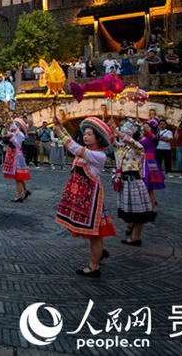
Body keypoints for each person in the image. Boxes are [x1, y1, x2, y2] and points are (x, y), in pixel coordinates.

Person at [52, 117, 115, 277]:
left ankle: (94, 266)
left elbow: (75, 148)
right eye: (85, 134)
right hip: (86, 197)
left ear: (98, 138)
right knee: (97, 233)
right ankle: (99, 255)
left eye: (90, 134)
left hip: (91, 199)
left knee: (95, 235)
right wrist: (61, 127)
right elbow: (75, 145)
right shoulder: (89, 152)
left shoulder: (98, 156)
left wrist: (60, 134)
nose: (85, 136)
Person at [111, 122, 156, 246]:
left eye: (126, 132)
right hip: (123, 181)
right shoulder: (120, 148)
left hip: (134, 180)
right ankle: (131, 226)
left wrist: (116, 131)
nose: (123, 135)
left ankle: (137, 237)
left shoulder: (138, 147)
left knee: (138, 211)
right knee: (130, 210)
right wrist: (110, 129)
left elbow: (130, 142)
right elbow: (108, 140)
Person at [3, 118, 31, 202]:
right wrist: (7, 126)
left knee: (18, 177)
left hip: (17, 156)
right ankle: (25, 191)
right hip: (13, 154)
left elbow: (15, 132)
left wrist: (12, 124)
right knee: (19, 176)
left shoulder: (20, 135)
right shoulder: (14, 134)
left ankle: (19, 196)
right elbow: (5, 133)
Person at [140, 120, 166, 210]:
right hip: (141, 161)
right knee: (142, 186)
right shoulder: (141, 137)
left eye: (147, 126)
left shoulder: (155, 137)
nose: (145, 128)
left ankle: (152, 208)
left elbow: (150, 135)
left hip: (149, 162)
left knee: (150, 188)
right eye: (144, 126)